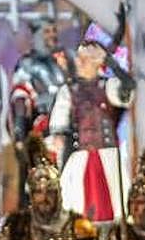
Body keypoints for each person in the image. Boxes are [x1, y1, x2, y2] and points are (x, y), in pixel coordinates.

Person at [48, 40, 134, 223]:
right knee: (79, 213)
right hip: (80, 160)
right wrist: (59, 139)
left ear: (96, 62)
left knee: (115, 210)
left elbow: (128, 88)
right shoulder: (68, 91)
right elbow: (59, 127)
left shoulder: (108, 86)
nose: (78, 62)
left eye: (84, 58)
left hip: (109, 158)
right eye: (79, 58)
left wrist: (110, 61)